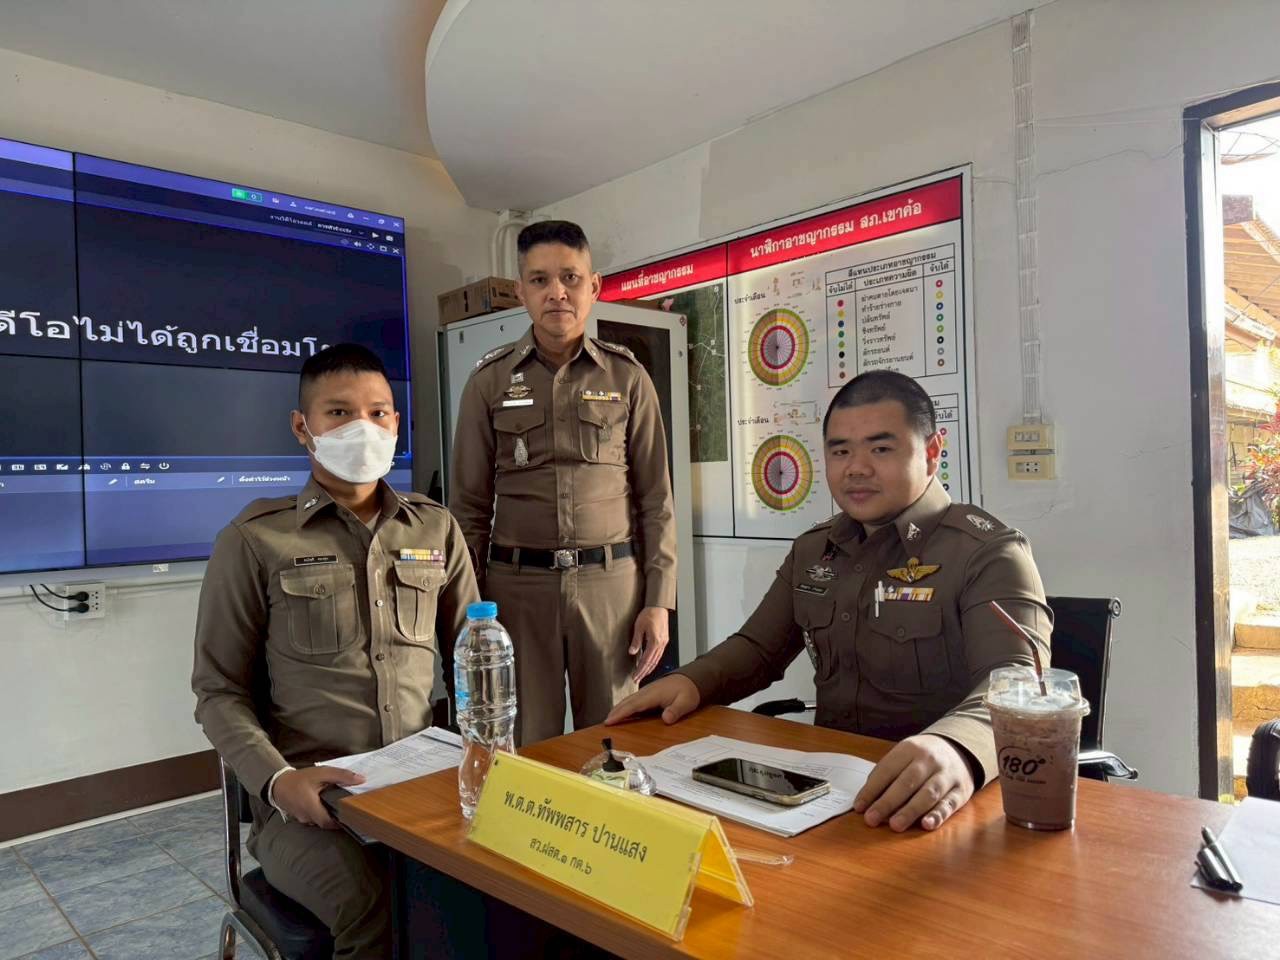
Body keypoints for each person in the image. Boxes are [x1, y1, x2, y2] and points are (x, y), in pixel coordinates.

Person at [607, 369, 1051, 833]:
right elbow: (758, 649)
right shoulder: (815, 550)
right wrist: (691, 682)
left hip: (933, 805)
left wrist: (956, 748)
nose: (856, 468)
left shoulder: (988, 553)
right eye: (840, 451)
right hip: (828, 797)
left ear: (933, 451)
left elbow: (1019, 683)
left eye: (881, 449)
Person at [192, 343, 478, 957]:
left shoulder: (435, 527)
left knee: (498, 893)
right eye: (340, 413)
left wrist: (485, 750)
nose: (363, 428)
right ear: (303, 428)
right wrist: (279, 783)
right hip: (308, 805)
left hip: (422, 784)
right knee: (372, 902)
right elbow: (217, 692)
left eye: (378, 413)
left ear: (396, 423)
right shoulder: (255, 539)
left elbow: (473, 658)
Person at [450, 220, 677, 745]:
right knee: (526, 740)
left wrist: (659, 601)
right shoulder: (488, 382)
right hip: (517, 591)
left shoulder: (628, 377)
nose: (557, 292)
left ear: (593, 286)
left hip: (611, 587)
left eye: (570, 278)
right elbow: (467, 508)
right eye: (540, 280)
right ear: (521, 291)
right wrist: (469, 610)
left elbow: (656, 500)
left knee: (616, 740)